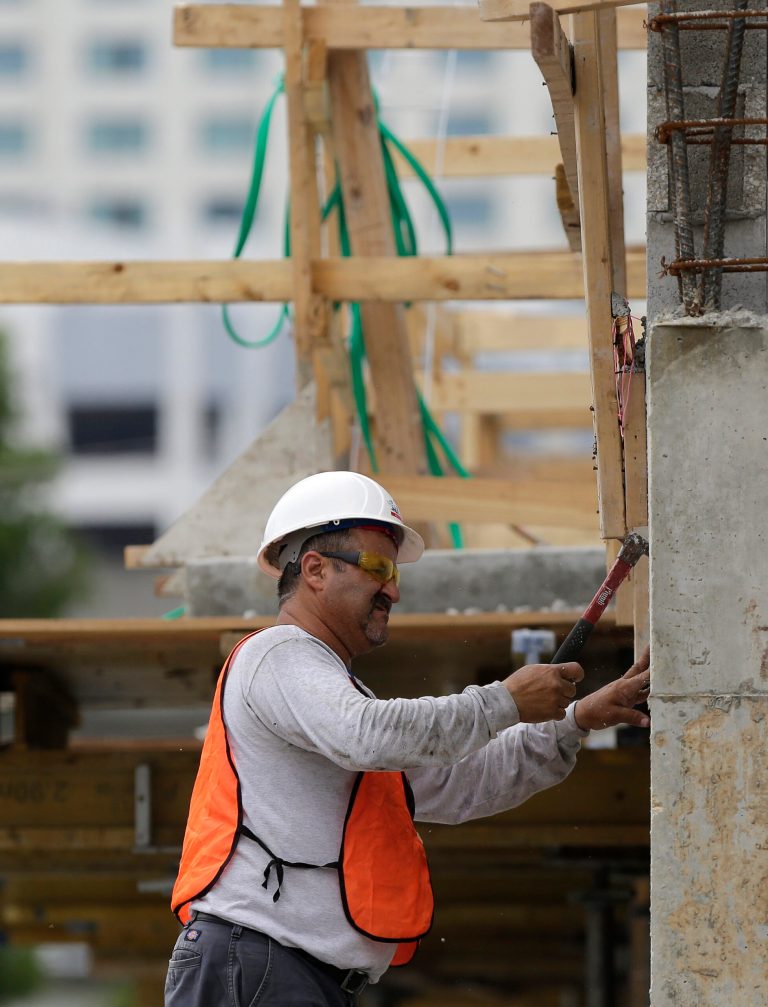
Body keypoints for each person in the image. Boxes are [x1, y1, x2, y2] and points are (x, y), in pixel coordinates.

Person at [165, 470, 650, 1007]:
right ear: (315, 569)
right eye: (377, 567)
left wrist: (576, 719)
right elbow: (369, 734)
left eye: (393, 572)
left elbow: (461, 783)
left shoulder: (331, 694)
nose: (392, 588)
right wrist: (505, 701)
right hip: (261, 962)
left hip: (283, 971)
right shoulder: (278, 656)